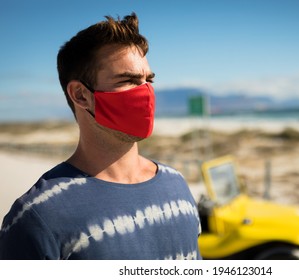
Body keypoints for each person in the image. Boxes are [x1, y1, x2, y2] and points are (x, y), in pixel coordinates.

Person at [0, 13, 201, 260]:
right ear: (81, 95)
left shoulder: (177, 184)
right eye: (128, 80)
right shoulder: (37, 217)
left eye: (148, 80)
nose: (146, 92)